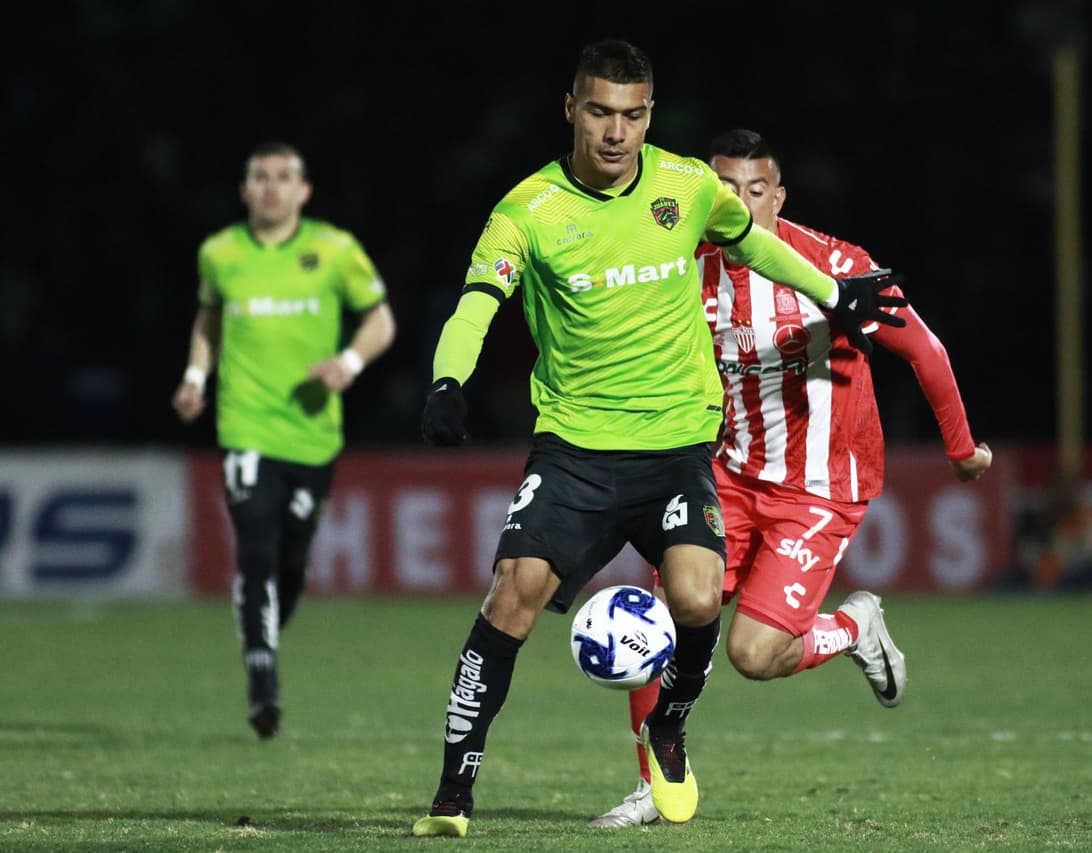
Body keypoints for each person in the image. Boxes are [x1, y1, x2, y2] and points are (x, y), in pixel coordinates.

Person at [413, 41, 906, 838]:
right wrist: (447, 381)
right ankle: (451, 795)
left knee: (697, 598)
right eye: (601, 112)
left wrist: (832, 291)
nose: (616, 132)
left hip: (679, 451)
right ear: (570, 109)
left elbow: (752, 240)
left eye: (633, 115)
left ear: (651, 114)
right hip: (574, 449)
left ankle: (667, 730)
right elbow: (476, 302)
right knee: (511, 596)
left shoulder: (686, 184)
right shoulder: (526, 211)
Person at [589, 128, 992, 827]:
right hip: (723, 473)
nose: (739, 204)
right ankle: (653, 786)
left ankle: (854, 626)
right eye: (724, 191)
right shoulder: (683, 264)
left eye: (755, 191)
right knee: (660, 620)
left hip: (819, 487)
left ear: (777, 197)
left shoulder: (834, 266)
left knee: (754, 652)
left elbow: (925, 349)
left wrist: (961, 450)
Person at [172, 141, 395, 740]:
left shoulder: (334, 250)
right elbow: (209, 318)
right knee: (256, 550)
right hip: (245, 426)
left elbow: (381, 321)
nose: (271, 187)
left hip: (313, 435)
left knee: (293, 559)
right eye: (260, 178)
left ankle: (266, 628)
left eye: (283, 178)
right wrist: (196, 376)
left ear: (303, 191)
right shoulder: (220, 253)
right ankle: (261, 679)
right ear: (244, 190)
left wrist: (348, 361)